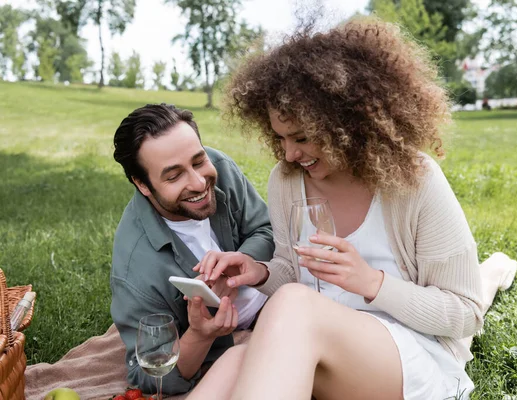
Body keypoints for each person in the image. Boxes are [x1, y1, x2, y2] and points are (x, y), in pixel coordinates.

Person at [190, 18, 484, 400]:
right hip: (318, 342)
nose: (290, 153)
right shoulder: (286, 180)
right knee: (234, 361)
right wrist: (260, 272)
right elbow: (295, 275)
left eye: (303, 137)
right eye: (280, 138)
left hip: (413, 355)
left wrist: (372, 284)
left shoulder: (416, 179)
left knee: (292, 307)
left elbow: (465, 314)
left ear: (349, 122)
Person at [110, 104, 274, 394]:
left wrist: (246, 258)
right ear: (142, 184)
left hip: (275, 299)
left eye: (198, 161)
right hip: (225, 348)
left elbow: (267, 229)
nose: (199, 182)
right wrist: (200, 335)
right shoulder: (135, 267)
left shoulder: (220, 167)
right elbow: (146, 373)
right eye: (174, 176)